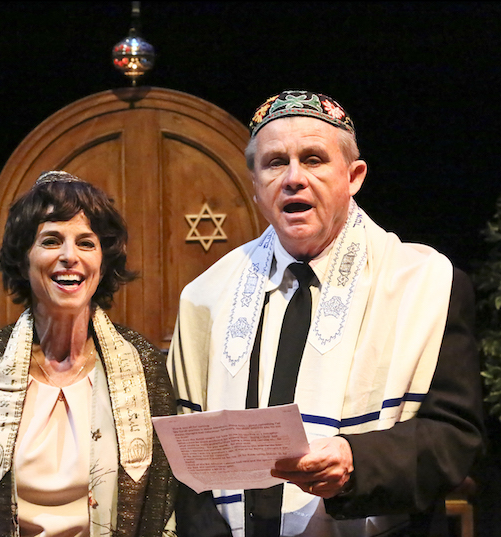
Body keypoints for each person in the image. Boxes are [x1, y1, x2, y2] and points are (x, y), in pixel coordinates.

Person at [167, 90, 484, 536]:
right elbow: (187, 454)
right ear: (254, 183)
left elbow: (454, 438)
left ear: (353, 176)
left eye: (313, 159)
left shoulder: (426, 283)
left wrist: (357, 460)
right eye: (276, 162)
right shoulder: (206, 296)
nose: (294, 178)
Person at [0, 171, 176, 537]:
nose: (69, 257)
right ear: (23, 260)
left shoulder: (144, 367)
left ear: (103, 262)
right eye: (51, 240)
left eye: (86, 243)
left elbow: (161, 505)